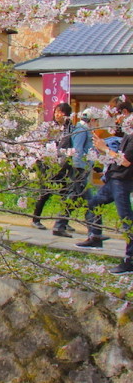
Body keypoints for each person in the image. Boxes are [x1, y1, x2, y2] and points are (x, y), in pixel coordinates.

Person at [76, 100, 133, 274]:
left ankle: (130, 260)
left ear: (123, 112)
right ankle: (96, 236)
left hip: (123, 180)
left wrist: (105, 149)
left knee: (127, 219)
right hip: (114, 178)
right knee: (94, 203)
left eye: (116, 116)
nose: (116, 121)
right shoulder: (128, 132)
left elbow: (125, 161)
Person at [52, 108, 98, 238]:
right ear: (92, 119)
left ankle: (59, 225)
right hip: (79, 169)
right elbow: (77, 150)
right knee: (89, 199)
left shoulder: (83, 129)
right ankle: (94, 232)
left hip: (82, 168)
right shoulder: (81, 130)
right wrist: (79, 169)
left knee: (73, 197)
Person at [31, 102, 74, 229]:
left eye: (60, 112)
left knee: (65, 193)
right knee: (45, 191)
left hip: (63, 165)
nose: (57, 115)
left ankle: (63, 222)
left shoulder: (70, 129)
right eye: (56, 112)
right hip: (47, 164)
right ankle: (36, 219)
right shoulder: (49, 128)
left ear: (67, 115)